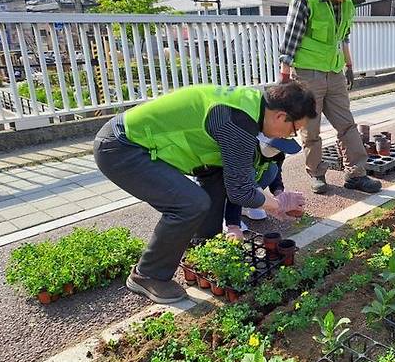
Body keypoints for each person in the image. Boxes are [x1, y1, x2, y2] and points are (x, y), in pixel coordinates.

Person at [94, 82, 317, 304]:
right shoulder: (238, 121)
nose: (289, 136)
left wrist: (270, 202)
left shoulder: (251, 105)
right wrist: (278, 205)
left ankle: (204, 248)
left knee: (216, 180)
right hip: (123, 148)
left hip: (136, 144)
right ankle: (148, 274)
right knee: (190, 203)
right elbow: (241, 191)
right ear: (280, 116)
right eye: (294, 130)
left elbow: (235, 182)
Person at [279, 0, 382, 195]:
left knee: (346, 124)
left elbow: (343, 36)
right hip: (307, 74)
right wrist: (284, 78)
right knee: (310, 127)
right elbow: (290, 39)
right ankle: (316, 173)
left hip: (334, 72)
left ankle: (356, 174)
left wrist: (349, 66)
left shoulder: (346, 3)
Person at [223, 136, 296, 240]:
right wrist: (233, 225)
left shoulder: (277, 153)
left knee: (272, 169)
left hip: (245, 183)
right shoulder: (247, 149)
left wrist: (279, 194)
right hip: (224, 180)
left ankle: (247, 205)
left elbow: (276, 173)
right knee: (237, 185)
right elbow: (240, 186)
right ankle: (226, 215)